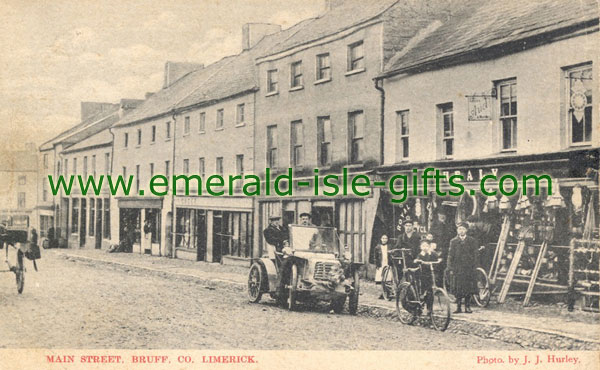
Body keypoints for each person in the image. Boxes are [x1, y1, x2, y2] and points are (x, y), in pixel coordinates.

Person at [446, 222, 479, 314]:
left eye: (463, 229)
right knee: (458, 288)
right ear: (457, 230)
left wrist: (475, 266)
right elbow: (450, 255)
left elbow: (476, 254)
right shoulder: (453, 241)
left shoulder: (472, 241)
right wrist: (450, 267)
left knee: (468, 287)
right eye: (460, 229)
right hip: (457, 268)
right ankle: (458, 307)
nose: (461, 231)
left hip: (469, 268)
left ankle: (467, 307)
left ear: (466, 230)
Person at [414, 240, 441, 313]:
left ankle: (430, 308)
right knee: (424, 290)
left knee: (430, 291)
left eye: (426, 246)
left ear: (429, 247)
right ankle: (422, 301)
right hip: (423, 274)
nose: (425, 248)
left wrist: (439, 260)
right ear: (420, 247)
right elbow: (416, 260)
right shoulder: (420, 255)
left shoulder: (432, 253)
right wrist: (417, 261)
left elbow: (438, 258)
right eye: (423, 246)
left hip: (431, 274)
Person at [374, 234, 390, 299]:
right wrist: (377, 265)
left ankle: (388, 293)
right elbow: (375, 257)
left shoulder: (389, 247)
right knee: (381, 279)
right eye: (383, 238)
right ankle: (382, 293)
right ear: (381, 239)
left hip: (387, 264)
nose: (384, 240)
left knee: (388, 279)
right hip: (381, 264)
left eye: (385, 238)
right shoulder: (377, 247)